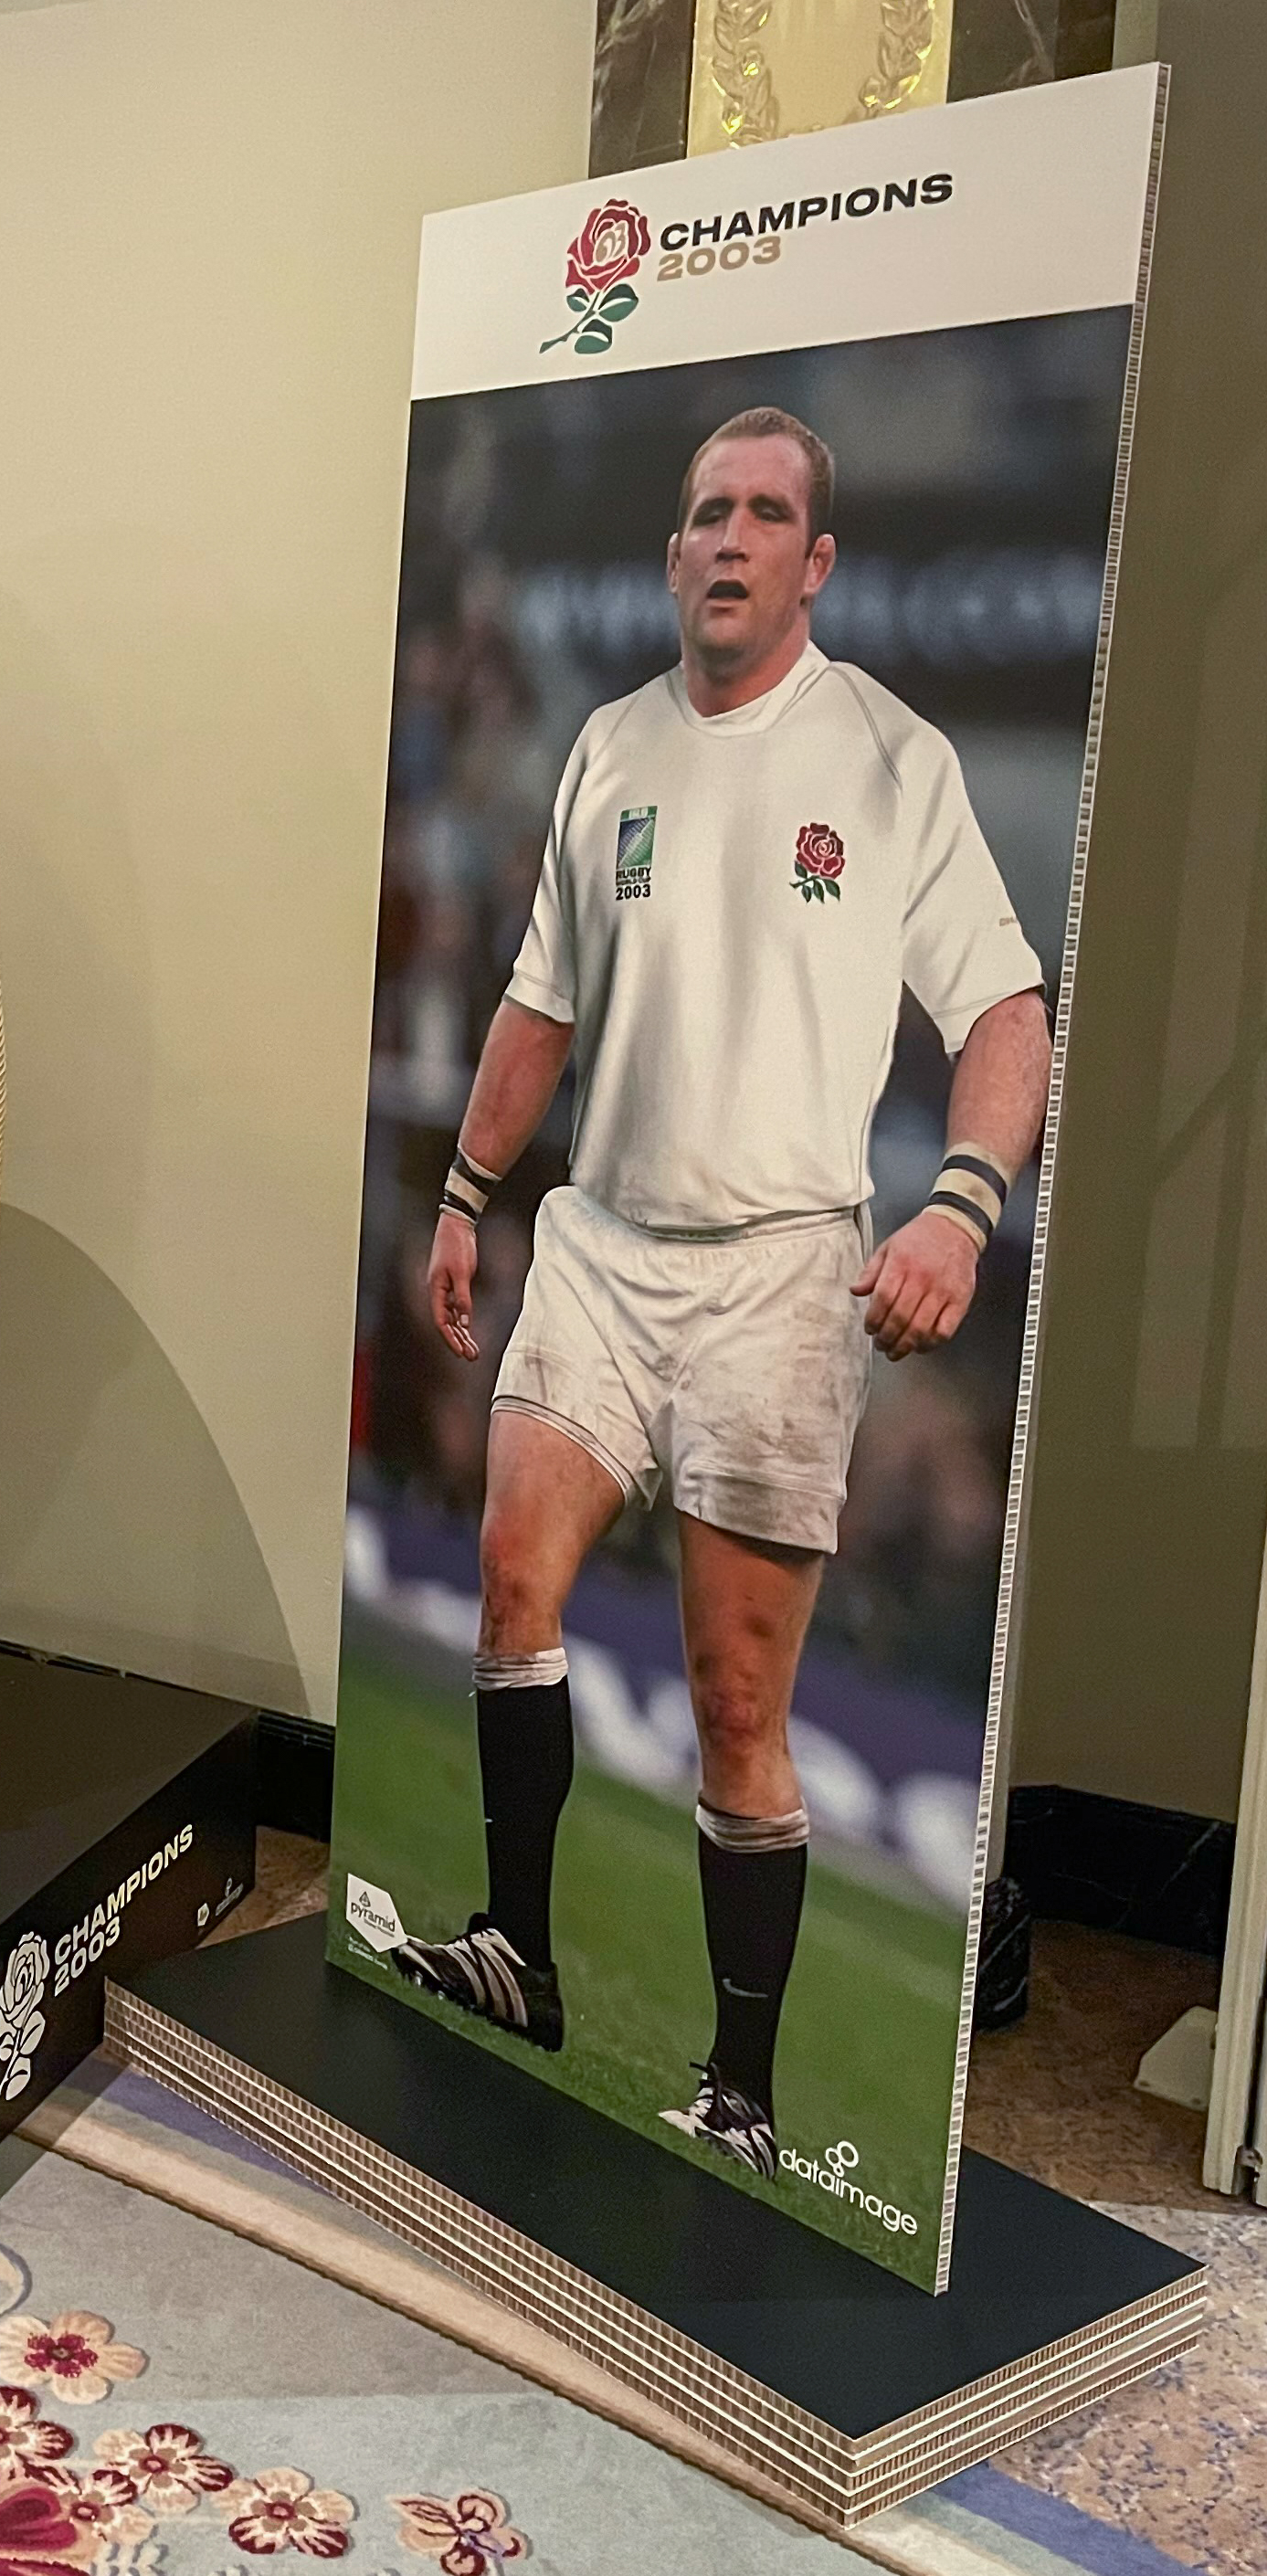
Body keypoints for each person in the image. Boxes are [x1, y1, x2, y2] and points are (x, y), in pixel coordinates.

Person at [397, 407, 1051, 2183]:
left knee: (734, 1695)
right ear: (678, 552)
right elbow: (539, 1004)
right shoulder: (608, 746)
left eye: (770, 513)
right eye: (709, 514)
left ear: (817, 561)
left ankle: (744, 2097)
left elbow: (1007, 1015)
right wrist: (469, 1190)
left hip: (784, 1269)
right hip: (600, 1242)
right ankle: (516, 1954)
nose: (735, 537)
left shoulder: (894, 761)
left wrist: (964, 1209)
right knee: (513, 1578)